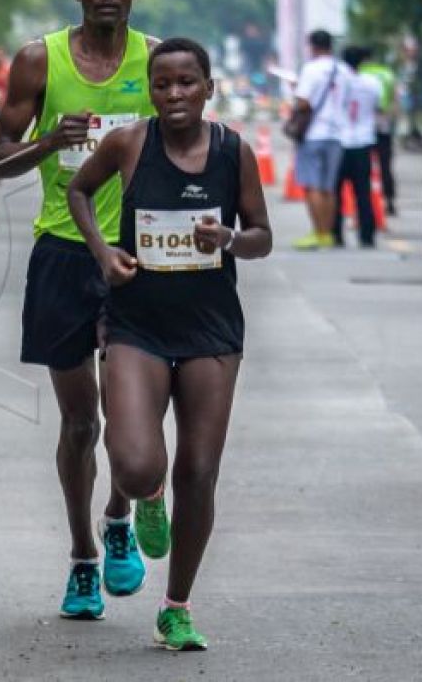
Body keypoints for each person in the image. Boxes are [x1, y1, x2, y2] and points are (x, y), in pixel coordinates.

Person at [67, 37, 272, 650]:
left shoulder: (233, 152)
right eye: (163, 84)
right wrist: (103, 252)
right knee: (134, 463)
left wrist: (228, 240)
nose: (175, 94)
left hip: (210, 329)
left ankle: (176, 607)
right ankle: (146, 495)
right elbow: (79, 191)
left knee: (201, 472)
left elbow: (262, 236)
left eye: (188, 83)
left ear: (209, 88)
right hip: (138, 325)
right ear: (150, 90)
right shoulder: (129, 143)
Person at [0, 0, 150, 620]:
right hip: (61, 252)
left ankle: (119, 515)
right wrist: (50, 143)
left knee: (129, 413)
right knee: (80, 421)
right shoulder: (39, 60)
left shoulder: (159, 61)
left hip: (138, 256)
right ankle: (84, 554)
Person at [290, 29, 351, 250]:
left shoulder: (311, 69)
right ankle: (328, 235)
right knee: (328, 187)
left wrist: (295, 93)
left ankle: (318, 232)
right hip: (337, 135)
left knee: (312, 185)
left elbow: (304, 102)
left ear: (312, 46)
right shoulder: (343, 70)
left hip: (314, 133)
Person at [334, 46, 381, 248]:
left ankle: (336, 234)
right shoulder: (372, 83)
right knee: (363, 192)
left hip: (340, 141)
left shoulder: (338, 82)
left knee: (335, 191)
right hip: (363, 141)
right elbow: (377, 106)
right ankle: (367, 235)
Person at [358, 50, 398, 215]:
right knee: (385, 166)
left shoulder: (357, 74)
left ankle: (365, 203)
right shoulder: (387, 74)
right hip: (383, 126)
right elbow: (394, 102)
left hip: (363, 129)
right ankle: (389, 201)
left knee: (363, 169)